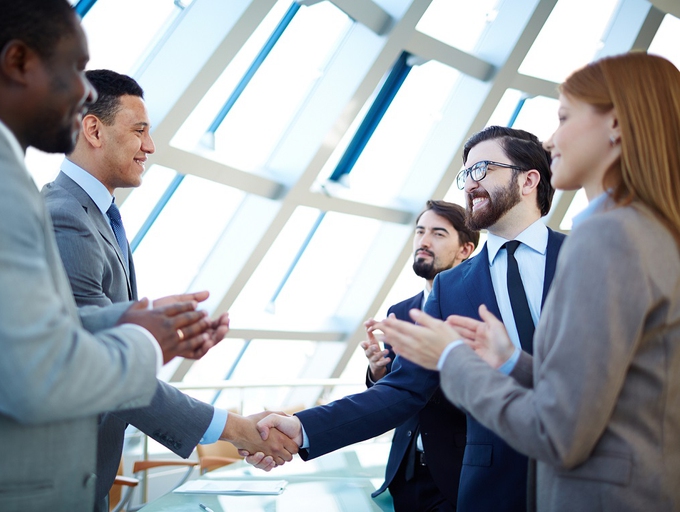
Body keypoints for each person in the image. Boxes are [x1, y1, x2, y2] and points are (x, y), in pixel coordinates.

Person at [0, 2, 295, 511]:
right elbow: (36, 374)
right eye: (74, 68)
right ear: (18, 61)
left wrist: (125, 317)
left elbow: (25, 325)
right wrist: (144, 340)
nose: (81, 92)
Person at [376, 52, 680, 511]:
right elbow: (618, 392)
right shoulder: (653, 232)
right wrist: (512, 361)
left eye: (564, 117)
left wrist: (454, 358)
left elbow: (558, 433)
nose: (552, 139)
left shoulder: (606, 238)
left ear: (615, 124)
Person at [248, 125, 562, 512]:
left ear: (529, 179)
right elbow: (403, 390)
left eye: (483, 169)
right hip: (493, 489)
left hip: (594, 475)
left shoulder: (587, 254)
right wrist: (301, 427)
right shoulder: (451, 287)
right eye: (466, 174)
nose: (469, 184)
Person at [42, 69, 233, 511]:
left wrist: (168, 337)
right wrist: (232, 429)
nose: (149, 147)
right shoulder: (64, 217)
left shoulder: (97, 214)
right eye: (139, 131)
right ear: (93, 129)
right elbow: (103, 361)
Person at [361, 200, 478, 511]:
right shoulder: (400, 312)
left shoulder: (476, 313)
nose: (424, 241)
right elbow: (391, 396)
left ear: (465, 250)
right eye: (420, 231)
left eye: (438, 234)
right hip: (404, 474)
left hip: (457, 474)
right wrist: (379, 372)